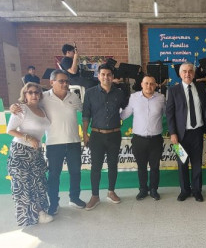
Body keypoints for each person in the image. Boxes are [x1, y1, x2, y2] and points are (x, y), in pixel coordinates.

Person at [10, 70, 87, 216]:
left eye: (67, 81)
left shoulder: (74, 97)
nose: (65, 84)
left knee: (75, 172)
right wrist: (15, 105)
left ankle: (74, 198)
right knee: (53, 175)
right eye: (61, 81)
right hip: (54, 144)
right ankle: (54, 203)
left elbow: (86, 110)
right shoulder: (43, 97)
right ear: (52, 82)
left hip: (73, 142)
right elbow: (26, 101)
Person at [83, 63, 127, 210]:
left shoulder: (120, 93)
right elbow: (86, 116)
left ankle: (111, 192)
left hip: (115, 134)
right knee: (96, 166)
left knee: (113, 165)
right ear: (98, 75)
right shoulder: (90, 93)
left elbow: (127, 109)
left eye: (109, 74)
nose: (106, 77)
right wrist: (85, 134)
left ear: (113, 77)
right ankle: (95, 196)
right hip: (96, 135)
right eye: (103, 74)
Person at [7, 82, 52, 226]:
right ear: (25, 95)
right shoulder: (21, 109)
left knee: (38, 183)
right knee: (24, 186)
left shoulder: (42, 109)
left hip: (35, 152)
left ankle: (40, 212)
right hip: (21, 152)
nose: (34, 95)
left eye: (37, 92)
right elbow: (10, 129)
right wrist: (29, 137)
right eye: (30, 92)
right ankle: (30, 216)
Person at [166, 62, 206, 202]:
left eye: (190, 71)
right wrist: (172, 133)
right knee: (182, 163)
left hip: (197, 133)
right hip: (180, 136)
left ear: (194, 73)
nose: (187, 74)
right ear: (180, 74)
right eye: (184, 71)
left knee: (197, 163)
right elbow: (170, 114)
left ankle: (197, 191)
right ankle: (184, 190)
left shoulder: (201, 88)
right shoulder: (173, 91)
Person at [121, 75, 165, 201]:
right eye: (146, 83)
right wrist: (113, 115)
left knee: (155, 167)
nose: (149, 86)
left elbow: (168, 113)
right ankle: (143, 190)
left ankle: (154, 190)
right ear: (141, 84)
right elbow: (126, 113)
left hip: (156, 139)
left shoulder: (161, 98)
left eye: (152, 84)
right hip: (139, 139)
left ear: (156, 85)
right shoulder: (134, 97)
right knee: (141, 166)